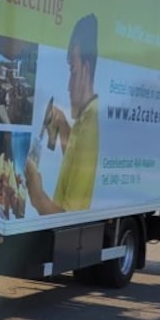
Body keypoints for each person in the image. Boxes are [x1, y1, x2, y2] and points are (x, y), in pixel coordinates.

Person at [25, 14, 99, 214]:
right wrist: (64, 127)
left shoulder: (91, 125)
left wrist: (37, 197)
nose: (68, 86)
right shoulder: (86, 117)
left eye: (72, 71)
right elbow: (76, 166)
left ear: (85, 68)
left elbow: (71, 217)